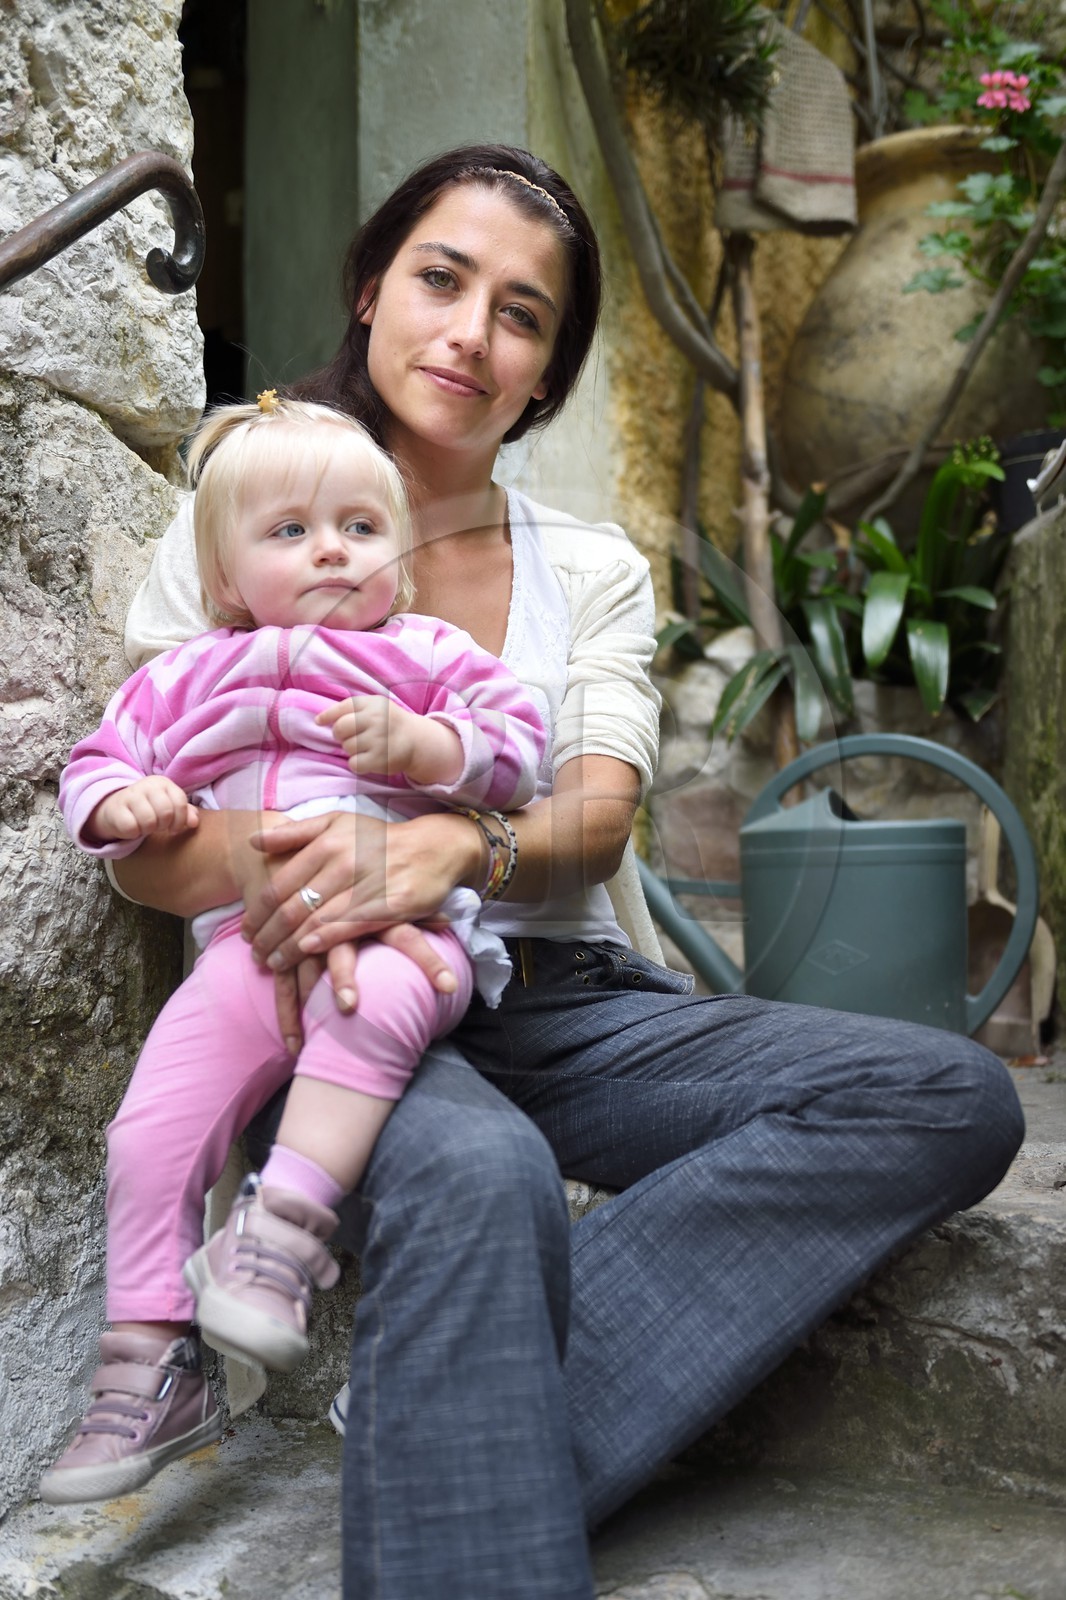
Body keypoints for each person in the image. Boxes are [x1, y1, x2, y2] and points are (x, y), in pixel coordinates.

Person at [107, 145, 1023, 1599]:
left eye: (522, 316)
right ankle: (462, 1464)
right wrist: (338, 867)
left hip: (567, 992)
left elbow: (596, 813)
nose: (472, 334)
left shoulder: (585, 562)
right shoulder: (247, 505)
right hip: (334, 995)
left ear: (544, 376)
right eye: (441, 280)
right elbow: (154, 850)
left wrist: (450, 842)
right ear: (369, 292)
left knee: (943, 1093)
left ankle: (442, 1408)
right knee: (486, 1177)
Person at [40, 396, 545, 1506]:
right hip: (248, 951)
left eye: (361, 527)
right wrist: (128, 800)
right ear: (225, 579)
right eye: (289, 531)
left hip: (398, 936)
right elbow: (99, 755)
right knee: (151, 1123)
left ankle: (281, 1229)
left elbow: (522, 748)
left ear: (396, 556)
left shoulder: (421, 653)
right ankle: (147, 1362)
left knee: (380, 1005)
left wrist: (433, 745)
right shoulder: (189, 675)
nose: (331, 548)